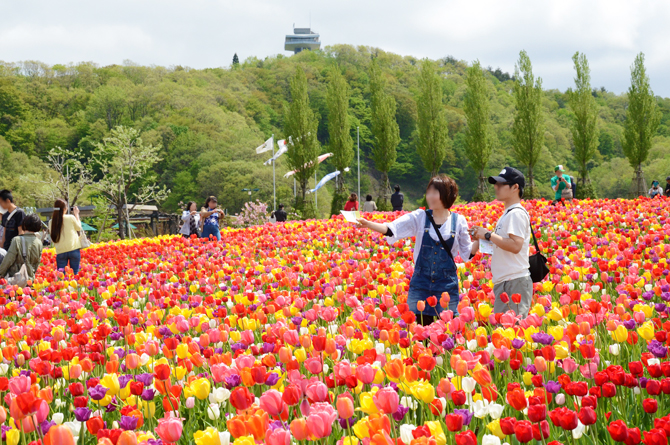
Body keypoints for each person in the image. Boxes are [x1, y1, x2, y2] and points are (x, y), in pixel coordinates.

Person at [357, 174, 478, 325]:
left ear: (447, 195)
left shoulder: (458, 221)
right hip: (421, 283)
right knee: (420, 332)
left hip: (446, 286)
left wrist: (480, 240)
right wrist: (368, 224)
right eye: (429, 192)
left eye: (435, 192)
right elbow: (392, 229)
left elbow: (467, 254)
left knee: (446, 333)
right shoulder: (420, 217)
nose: (430, 196)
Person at [472, 167, 532, 317]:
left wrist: (488, 235)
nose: (496, 187)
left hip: (514, 281)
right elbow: (502, 245)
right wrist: (482, 237)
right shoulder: (508, 214)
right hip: (507, 281)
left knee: (511, 332)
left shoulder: (516, 214)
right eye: (495, 184)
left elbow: (516, 246)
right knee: (505, 332)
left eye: (501, 184)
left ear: (515, 187)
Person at [0, 214, 43, 281]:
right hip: (30, 280)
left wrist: (1, 274)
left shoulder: (17, 240)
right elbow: (37, 263)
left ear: (24, 225)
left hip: (17, 279)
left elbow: (8, 260)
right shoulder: (39, 242)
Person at [48, 199, 83, 275]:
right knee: (75, 274)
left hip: (61, 251)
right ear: (65, 209)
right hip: (73, 249)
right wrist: (76, 214)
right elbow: (79, 228)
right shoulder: (70, 217)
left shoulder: (51, 222)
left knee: (61, 276)